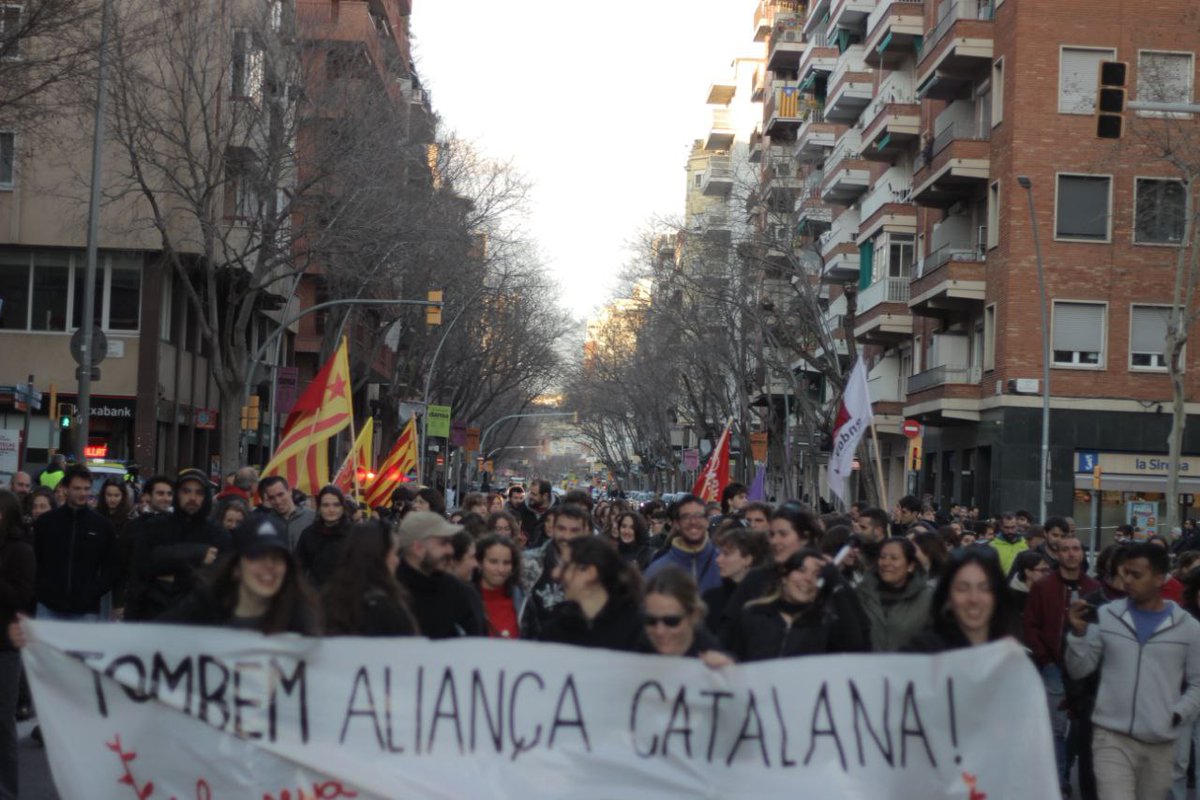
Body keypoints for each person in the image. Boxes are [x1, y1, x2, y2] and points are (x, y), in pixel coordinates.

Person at [1066, 543, 1200, 800]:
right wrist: (1079, 634)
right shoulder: (1107, 616)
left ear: (1160, 579)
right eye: (1125, 573)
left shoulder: (1187, 627)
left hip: (1160, 742)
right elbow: (1079, 668)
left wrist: (1178, 713)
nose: (1127, 580)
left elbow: (1197, 683)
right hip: (1110, 736)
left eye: (1136, 575)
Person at [1022, 532, 1101, 795]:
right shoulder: (1044, 586)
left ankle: (1068, 771)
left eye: (1075, 549)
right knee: (1055, 729)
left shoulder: (1093, 589)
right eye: (1065, 549)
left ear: (1082, 553)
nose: (1070, 554)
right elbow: (1031, 624)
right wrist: (1044, 659)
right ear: (1056, 554)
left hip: (1084, 670)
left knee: (1079, 729)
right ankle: (1057, 780)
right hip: (1053, 665)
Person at [157, 515, 319, 635]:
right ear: (236, 568)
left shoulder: (301, 622)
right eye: (256, 556)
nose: (269, 566)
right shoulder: (202, 610)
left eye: (277, 558)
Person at [127, 469, 232, 621]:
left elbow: (220, 583)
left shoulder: (218, 534)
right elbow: (140, 572)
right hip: (155, 617)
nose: (192, 498)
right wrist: (197, 554)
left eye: (199, 493)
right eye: (186, 491)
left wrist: (169, 570)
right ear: (177, 493)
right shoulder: (155, 527)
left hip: (200, 622)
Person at [727, 549, 870, 662]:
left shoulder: (825, 623)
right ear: (784, 576)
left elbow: (855, 650)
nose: (808, 578)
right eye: (801, 570)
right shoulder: (753, 615)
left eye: (816, 574)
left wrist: (837, 585)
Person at [717, 504, 823, 645]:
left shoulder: (827, 579)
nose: (775, 541)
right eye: (772, 534)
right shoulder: (756, 578)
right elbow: (729, 633)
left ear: (805, 537)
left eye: (783, 534)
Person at [32, 464, 116, 621]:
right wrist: (42, 589)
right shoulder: (46, 523)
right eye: (77, 488)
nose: (83, 493)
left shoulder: (102, 526)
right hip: (48, 605)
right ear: (65, 489)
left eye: (86, 488)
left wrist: (94, 591)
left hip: (86, 608)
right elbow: (35, 559)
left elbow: (111, 566)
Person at [538, 536, 646, 652]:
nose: (555, 573)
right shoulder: (556, 627)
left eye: (565, 566)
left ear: (590, 573)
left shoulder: (639, 631)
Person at [906, 549, 1015, 652]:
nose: (974, 599)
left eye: (985, 588)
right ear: (947, 596)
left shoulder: (1012, 653)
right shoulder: (920, 652)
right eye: (962, 589)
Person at [393, 511, 481, 639]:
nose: (450, 550)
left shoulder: (461, 593)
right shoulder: (387, 595)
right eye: (443, 543)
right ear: (418, 548)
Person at [322, 522, 418, 637]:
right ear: (379, 555)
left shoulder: (326, 599)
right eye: (394, 553)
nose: (397, 560)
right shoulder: (388, 610)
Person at [0, 491, 33, 800]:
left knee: (3, 721)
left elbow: (21, 597)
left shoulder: (20, 550)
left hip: (5, 645)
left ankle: (7, 790)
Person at [520, 504, 591, 639]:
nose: (567, 536)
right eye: (562, 529)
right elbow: (521, 612)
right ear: (552, 529)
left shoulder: (595, 567)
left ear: (585, 532)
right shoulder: (529, 563)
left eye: (574, 530)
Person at [855, 538, 934, 652]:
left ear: (910, 565)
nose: (886, 563)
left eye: (894, 558)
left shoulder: (928, 599)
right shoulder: (861, 594)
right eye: (882, 557)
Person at [642, 567, 730, 666]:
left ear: (694, 616)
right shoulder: (633, 650)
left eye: (671, 621)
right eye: (651, 621)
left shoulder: (717, 662)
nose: (660, 631)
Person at [643, 494, 720, 592]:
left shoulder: (722, 562)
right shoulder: (658, 568)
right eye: (686, 517)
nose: (693, 522)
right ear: (677, 523)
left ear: (707, 521)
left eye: (698, 516)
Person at [703, 523, 769, 633]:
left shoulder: (764, 599)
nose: (718, 560)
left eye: (726, 554)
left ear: (747, 559)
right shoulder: (712, 598)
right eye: (719, 554)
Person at [295, 486, 354, 590]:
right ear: (319, 508)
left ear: (342, 507)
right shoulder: (308, 534)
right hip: (317, 597)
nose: (331, 510)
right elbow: (298, 568)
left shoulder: (355, 533)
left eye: (336, 505)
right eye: (326, 505)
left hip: (348, 597)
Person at [474, 535, 523, 639]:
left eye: (506, 563)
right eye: (493, 562)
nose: (501, 569)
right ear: (479, 563)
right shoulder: (464, 600)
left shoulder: (523, 601)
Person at [259, 476, 315, 551]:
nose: (277, 501)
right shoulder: (266, 523)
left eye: (280, 494)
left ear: (290, 491)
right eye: (272, 498)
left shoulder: (311, 517)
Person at [1008, 550, 1053, 622]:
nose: (1047, 574)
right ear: (1028, 572)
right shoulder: (1011, 599)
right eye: (1043, 570)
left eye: (1048, 570)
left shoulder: (1048, 591)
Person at [515, 480, 555, 548]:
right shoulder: (522, 508)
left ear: (545, 495)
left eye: (534, 494)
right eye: (530, 492)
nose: (530, 496)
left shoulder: (559, 510)